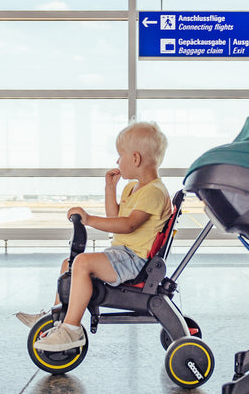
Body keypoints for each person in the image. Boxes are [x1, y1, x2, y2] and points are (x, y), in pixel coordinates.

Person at [16, 121, 172, 352]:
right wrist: (110, 188)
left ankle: (71, 329)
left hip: (135, 261)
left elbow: (128, 225)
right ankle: (58, 315)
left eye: (120, 156)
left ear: (136, 159)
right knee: (69, 264)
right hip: (122, 254)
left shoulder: (155, 192)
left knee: (82, 262)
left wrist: (88, 219)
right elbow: (115, 218)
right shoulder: (133, 188)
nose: (117, 162)